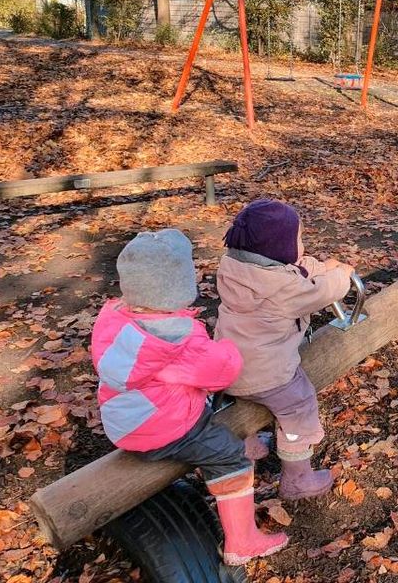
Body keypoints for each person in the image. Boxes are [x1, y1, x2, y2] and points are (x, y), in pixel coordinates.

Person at [91, 229, 288, 566]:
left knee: (205, 402)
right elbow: (223, 372)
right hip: (163, 430)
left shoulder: (113, 319)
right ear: (179, 288)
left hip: (121, 421)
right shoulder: (177, 340)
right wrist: (226, 346)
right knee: (229, 456)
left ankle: (249, 443)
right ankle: (242, 540)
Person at [216, 200, 353, 501]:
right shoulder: (282, 289)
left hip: (225, 365)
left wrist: (321, 266)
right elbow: (317, 291)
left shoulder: (234, 266)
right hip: (266, 373)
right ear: (278, 246)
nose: (302, 246)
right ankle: (298, 479)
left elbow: (294, 271)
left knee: (238, 404)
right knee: (299, 406)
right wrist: (340, 275)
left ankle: (247, 447)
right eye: (298, 240)